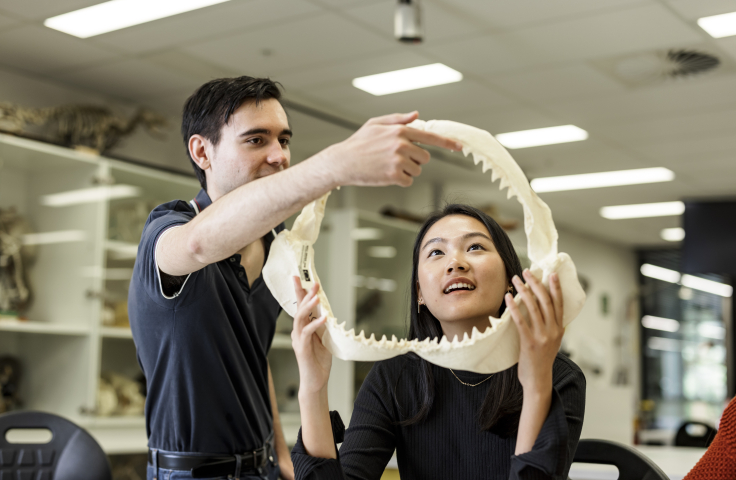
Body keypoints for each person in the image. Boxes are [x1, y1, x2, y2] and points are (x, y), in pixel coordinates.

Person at [128, 76, 462, 480]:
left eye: (283, 141)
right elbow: (198, 245)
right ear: (202, 151)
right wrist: (337, 164)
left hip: (263, 467)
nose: (278, 156)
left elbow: (255, 357)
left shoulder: (274, 248)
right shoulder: (167, 231)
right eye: (256, 140)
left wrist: (282, 456)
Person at [289, 204, 586, 479]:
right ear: (420, 292)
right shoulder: (394, 377)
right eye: (436, 253)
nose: (455, 262)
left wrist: (536, 384)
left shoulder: (558, 375)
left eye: (475, 247)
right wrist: (313, 388)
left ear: (511, 279)